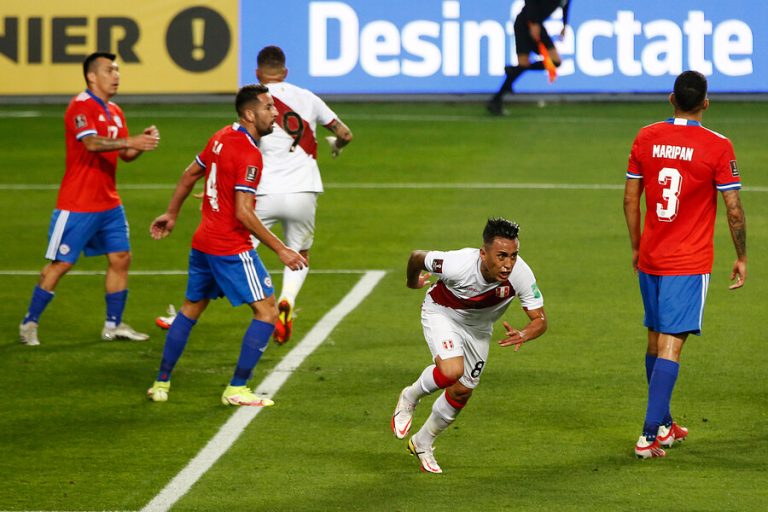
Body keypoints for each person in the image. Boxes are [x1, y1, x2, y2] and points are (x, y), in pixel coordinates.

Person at [146, 84, 306, 406]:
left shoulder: (220, 136)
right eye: (268, 107)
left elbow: (191, 173)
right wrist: (281, 249)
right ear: (250, 114)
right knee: (267, 312)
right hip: (229, 247)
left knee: (190, 310)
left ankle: (161, 383)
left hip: (203, 241)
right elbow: (243, 212)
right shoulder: (250, 153)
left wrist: (172, 213)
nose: (275, 113)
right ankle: (237, 388)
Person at [623, 70, 747, 458]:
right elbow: (734, 210)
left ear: (670, 98)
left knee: (655, 340)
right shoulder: (718, 146)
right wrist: (742, 256)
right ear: (705, 104)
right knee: (671, 346)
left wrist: (636, 247)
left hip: (652, 257)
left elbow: (630, 199)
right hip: (688, 262)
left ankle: (663, 422)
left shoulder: (646, 136)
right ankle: (648, 435)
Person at [19, 51, 160, 346]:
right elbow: (92, 143)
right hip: (78, 203)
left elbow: (124, 155)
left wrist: (141, 144)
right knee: (61, 264)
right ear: (92, 76)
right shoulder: (80, 106)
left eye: (118, 70)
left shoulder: (115, 111)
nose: (117, 75)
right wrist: (129, 140)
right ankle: (30, 322)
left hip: (109, 203)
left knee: (121, 258)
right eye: (110, 70)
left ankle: (114, 325)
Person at [391, 218, 547, 473]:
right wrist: (412, 282)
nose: (508, 264)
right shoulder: (457, 265)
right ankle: (410, 397)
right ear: (483, 253)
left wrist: (525, 333)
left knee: (462, 391)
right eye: (502, 256)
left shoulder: (520, 274)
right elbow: (417, 257)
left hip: (478, 329)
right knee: (452, 370)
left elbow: (540, 319)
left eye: (514, 255)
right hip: (443, 312)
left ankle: (423, 442)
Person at [253, 45, 353, 344]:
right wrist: (335, 145)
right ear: (285, 72)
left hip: (263, 191)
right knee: (299, 254)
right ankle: (287, 301)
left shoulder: (253, 101)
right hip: (303, 190)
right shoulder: (307, 97)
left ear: (258, 73)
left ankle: (187, 312)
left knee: (234, 251)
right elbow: (345, 133)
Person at [487, 0, 571, 115]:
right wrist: (534, 23)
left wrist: (564, 24)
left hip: (537, 25)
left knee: (555, 62)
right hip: (525, 23)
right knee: (524, 63)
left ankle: (513, 71)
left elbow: (566, 5)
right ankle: (496, 100)